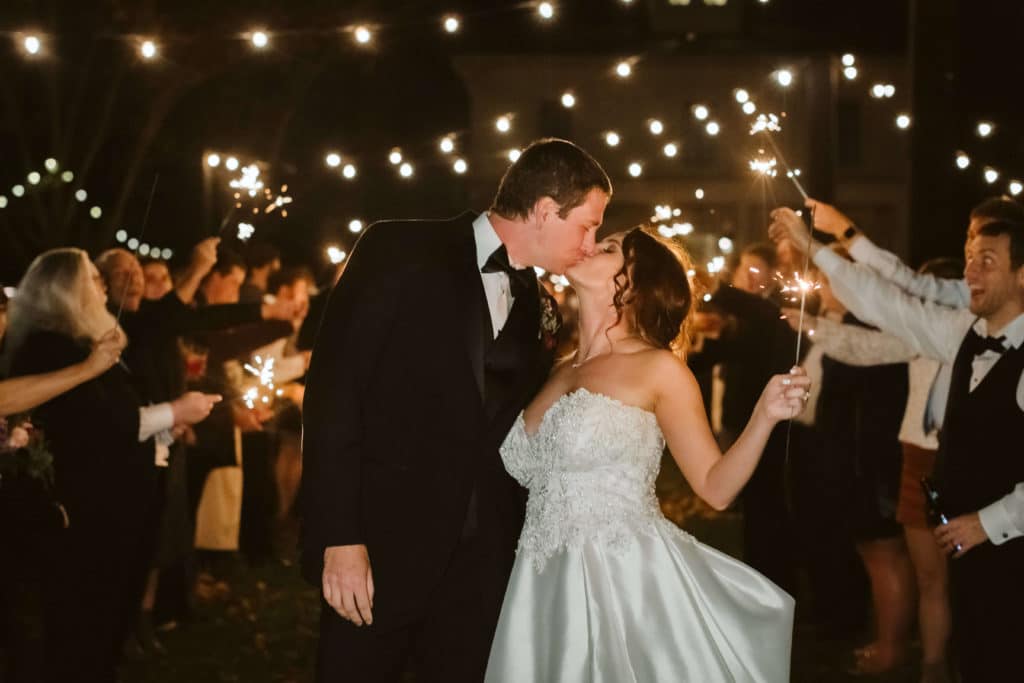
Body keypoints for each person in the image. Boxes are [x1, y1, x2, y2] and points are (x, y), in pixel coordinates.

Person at [302, 138, 611, 682]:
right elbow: (335, 393)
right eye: (586, 225)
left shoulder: (540, 302)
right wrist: (339, 536)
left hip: (482, 567)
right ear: (543, 211)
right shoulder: (397, 248)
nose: (589, 244)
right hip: (380, 548)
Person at [485, 226, 809, 682]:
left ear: (635, 284)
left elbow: (715, 490)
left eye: (609, 248)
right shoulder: (555, 367)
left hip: (621, 587)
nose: (590, 246)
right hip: (539, 584)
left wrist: (764, 415)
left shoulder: (660, 370)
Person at [769, 210, 1024, 682]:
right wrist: (811, 247)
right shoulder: (961, 334)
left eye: (986, 260)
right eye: (968, 259)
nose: (970, 272)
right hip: (973, 557)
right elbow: (883, 302)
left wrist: (990, 522)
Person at [1, 248, 220, 683]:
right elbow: (95, 426)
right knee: (80, 625)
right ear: (67, 290)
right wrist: (173, 412)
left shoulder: (86, 342)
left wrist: (163, 428)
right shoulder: (52, 347)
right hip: (84, 511)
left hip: (112, 501)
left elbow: (119, 413)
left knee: (104, 620)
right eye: (95, 279)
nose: (102, 287)